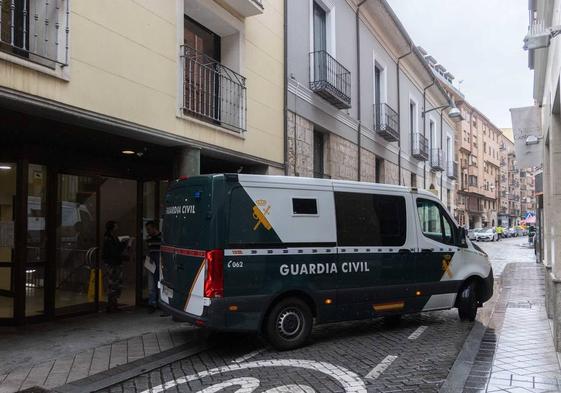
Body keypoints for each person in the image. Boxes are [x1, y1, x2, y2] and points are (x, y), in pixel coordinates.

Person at [102, 221, 128, 313]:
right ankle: (112, 305)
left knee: (114, 284)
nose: (117, 226)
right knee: (114, 283)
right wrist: (124, 244)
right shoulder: (109, 238)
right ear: (113, 227)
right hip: (113, 263)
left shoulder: (111, 237)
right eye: (115, 225)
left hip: (113, 262)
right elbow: (114, 251)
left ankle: (113, 304)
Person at [145, 221, 162, 314]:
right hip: (151, 263)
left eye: (149, 229)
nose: (147, 231)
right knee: (151, 285)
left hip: (159, 262)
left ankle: (159, 302)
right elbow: (147, 250)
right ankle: (152, 303)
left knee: (158, 283)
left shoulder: (162, 237)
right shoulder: (149, 239)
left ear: (154, 228)